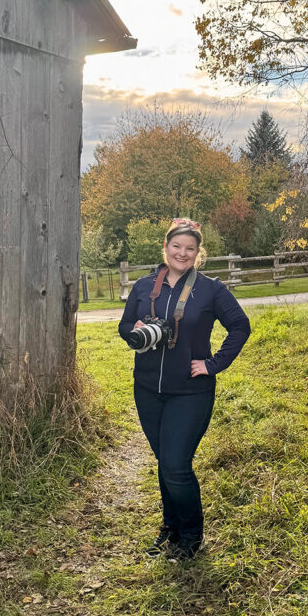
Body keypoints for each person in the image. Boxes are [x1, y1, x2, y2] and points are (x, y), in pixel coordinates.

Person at [118, 218, 251, 559]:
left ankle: (191, 537)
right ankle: (171, 527)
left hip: (191, 392)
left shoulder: (210, 289)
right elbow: (124, 327)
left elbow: (239, 325)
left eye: (189, 248)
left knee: (176, 465)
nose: (182, 253)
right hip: (147, 389)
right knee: (165, 462)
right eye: (176, 246)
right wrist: (133, 328)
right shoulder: (144, 286)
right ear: (165, 248)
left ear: (198, 253)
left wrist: (212, 363)